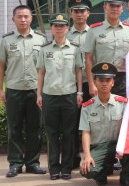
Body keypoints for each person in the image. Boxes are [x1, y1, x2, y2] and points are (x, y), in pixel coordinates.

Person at [0, 5, 48, 178]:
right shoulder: (6, 40)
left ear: (31, 18)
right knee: (14, 128)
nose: (23, 19)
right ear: (13, 19)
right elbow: (0, 65)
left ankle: (33, 163)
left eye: (26, 16)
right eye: (19, 16)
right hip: (14, 91)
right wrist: (0, 90)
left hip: (35, 91)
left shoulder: (41, 40)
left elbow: (45, 67)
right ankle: (15, 164)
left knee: (35, 129)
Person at [36, 13, 83, 180]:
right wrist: (39, 94)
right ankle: (54, 168)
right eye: (56, 25)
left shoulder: (75, 48)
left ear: (67, 28)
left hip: (69, 95)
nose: (59, 28)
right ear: (52, 28)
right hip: (50, 96)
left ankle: (67, 168)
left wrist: (79, 92)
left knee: (69, 134)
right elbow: (41, 72)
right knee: (52, 133)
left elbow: (78, 71)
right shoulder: (45, 49)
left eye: (62, 25)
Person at [79, 62, 129, 186]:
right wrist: (87, 155)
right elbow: (85, 132)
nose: (104, 83)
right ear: (95, 82)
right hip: (99, 146)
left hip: (118, 145)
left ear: (113, 82)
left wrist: (122, 147)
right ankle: (101, 176)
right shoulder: (87, 107)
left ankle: (126, 177)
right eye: (101, 80)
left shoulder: (123, 104)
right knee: (87, 170)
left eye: (108, 80)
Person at [83, 0, 129, 99]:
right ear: (105, 7)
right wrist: (91, 84)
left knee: (122, 110)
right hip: (102, 78)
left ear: (122, 9)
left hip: (123, 79)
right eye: (111, 5)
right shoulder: (94, 30)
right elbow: (88, 59)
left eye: (118, 6)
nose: (114, 9)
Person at [67, 0, 92, 169]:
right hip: (71, 86)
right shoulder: (64, 34)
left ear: (88, 13)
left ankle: (96, 156)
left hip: (92, 84)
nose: (79, 14)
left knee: (94, 122)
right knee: (72, 123)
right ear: (71, 14)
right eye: (76, 11)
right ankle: (73, 158)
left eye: (82, 11)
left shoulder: (96, 32)